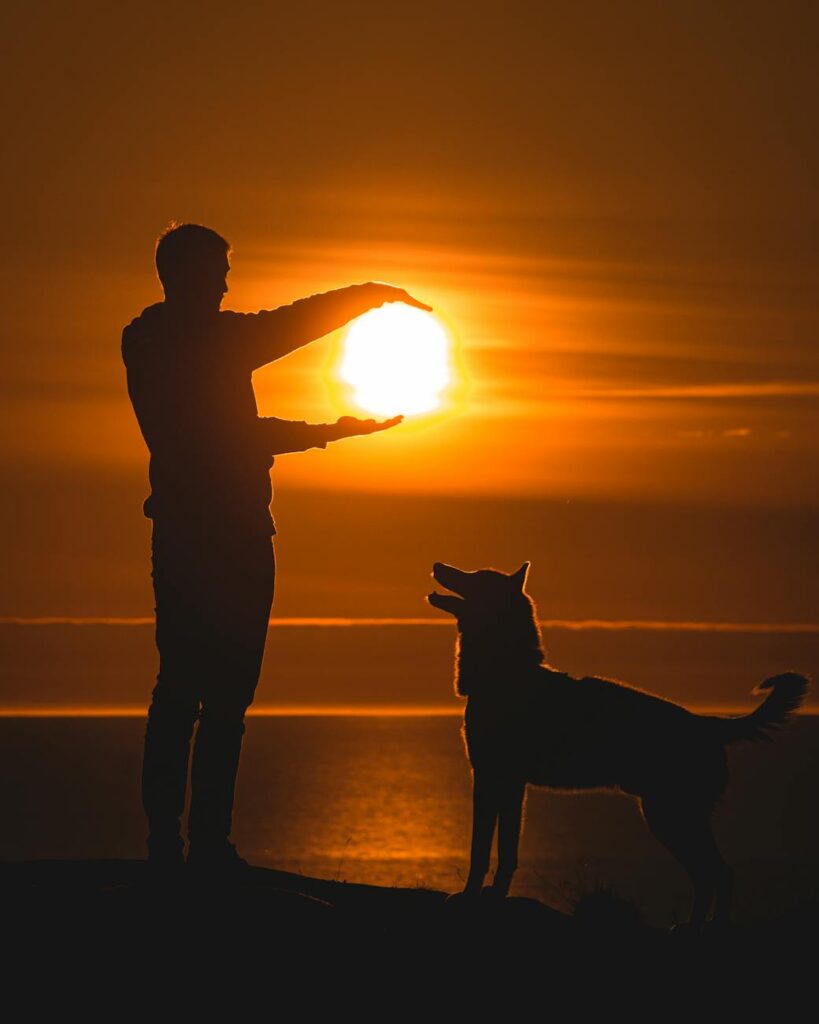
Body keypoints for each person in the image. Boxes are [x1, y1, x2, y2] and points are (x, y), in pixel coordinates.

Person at [121, 222, 430, 877]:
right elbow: (283, 337)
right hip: (217, 539)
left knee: (195, 696)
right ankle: (188, 849)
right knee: (202, 698)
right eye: (220, 270)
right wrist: (367, 296)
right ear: (190, 274)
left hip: (203, 534)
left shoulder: (145, 339)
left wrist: (326, 427)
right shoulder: (194, 339)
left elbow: (236, 426)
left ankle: (183, 846)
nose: (228, 282)